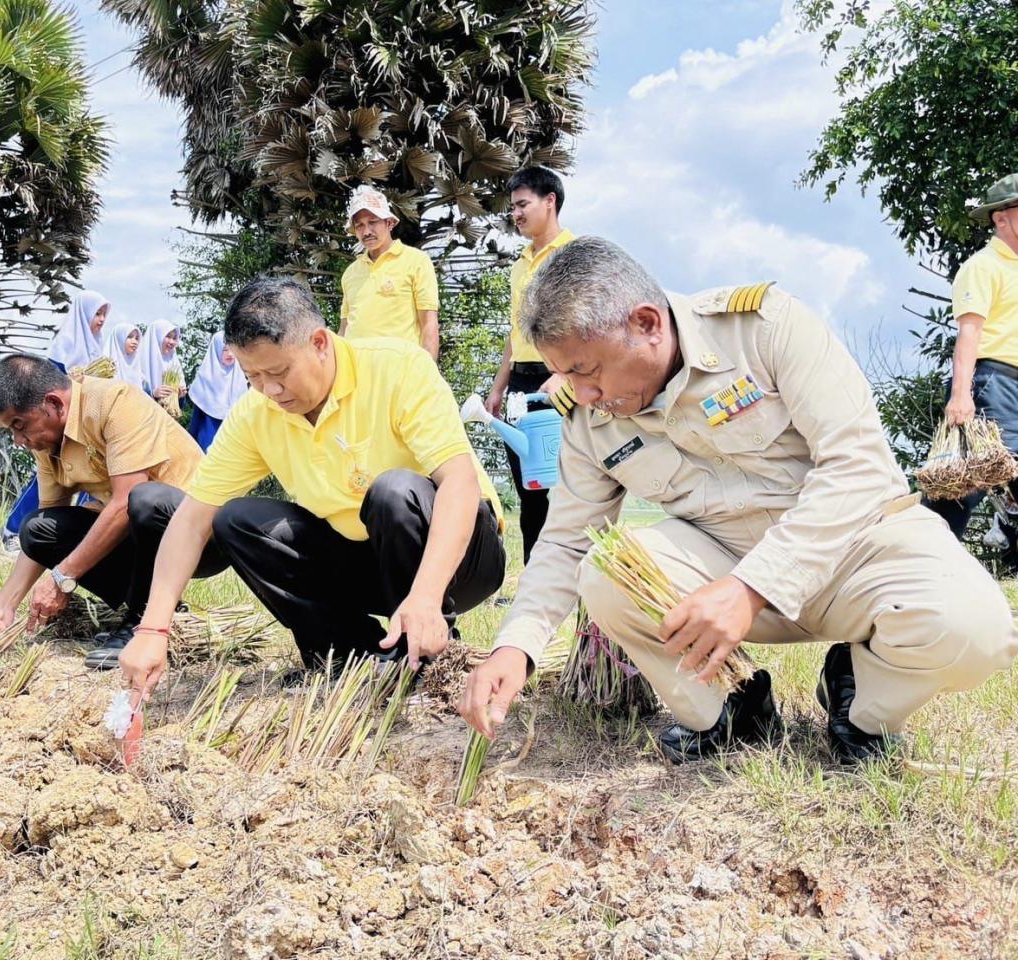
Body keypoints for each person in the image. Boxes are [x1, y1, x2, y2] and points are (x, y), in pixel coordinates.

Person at [458, 237, 1018, 765]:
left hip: (856, 553)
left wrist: (753, 588)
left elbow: (857, 466)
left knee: (978, 628)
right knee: (609, 571)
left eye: (587, 370)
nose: (582, 394)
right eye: (564, 375)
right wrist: (515, 647)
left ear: (647, 323)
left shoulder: (764, 328)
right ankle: (731, 708)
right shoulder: (586, 418)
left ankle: (861, 705)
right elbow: (565, 540)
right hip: (725, 564)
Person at [118, 277, 507, 699]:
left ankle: (427, 654)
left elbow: (460, 482)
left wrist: (427, 596)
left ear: (320, 342)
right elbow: (192, 520)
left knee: (395, 492)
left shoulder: (397, 367)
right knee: (238, 521)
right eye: (253, 376)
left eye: (279, 372)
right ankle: (349, 657)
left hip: (458, 557)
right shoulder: (256, 413)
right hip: (367, 560)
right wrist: (154, 628)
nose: (270, 390)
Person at [0, 355, 228, 669]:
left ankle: (142, 621)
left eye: (19, 426)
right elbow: (50, 516)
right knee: (37, 529)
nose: (18, 440)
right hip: (137, 536)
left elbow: (125, 502)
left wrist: (62, 577)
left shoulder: (115, 402)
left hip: (198, 537)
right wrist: (3, 606)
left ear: (54, 403)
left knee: (144, 499)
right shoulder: (47, 441)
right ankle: (155, 606)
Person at [485, 166, 578, 564]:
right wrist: (499, 385)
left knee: (572, 484)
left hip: (563, 380)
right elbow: (516, 331)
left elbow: (584, 321)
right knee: (530, 485)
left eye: (523, 204)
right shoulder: (520, 264)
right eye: (513, 207)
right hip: (522, 383)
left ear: (550, 201)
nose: (516, 214)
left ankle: (579, 581)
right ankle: (535, 579)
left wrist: (565, 374)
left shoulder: (574, 254)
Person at [926, 172, 1018, 540]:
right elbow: (969, 333)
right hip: (993, 382)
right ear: (1002, 218)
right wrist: (960, 395)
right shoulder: (983, 267)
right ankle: (927, 547)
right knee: (970, 478)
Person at [3, 290, 111, 548]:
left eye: (104, 314)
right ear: (83, 315)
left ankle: (84, 536)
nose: (101, 320)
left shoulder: (98, 351)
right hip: (59, 428)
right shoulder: (63, 350)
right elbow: (46, 393)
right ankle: (15, 529)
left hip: (88, 427)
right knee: (47, 479)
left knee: (91, 478)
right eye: (97, 313)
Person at [338, 186, 440, 358]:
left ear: (389, 223)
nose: (367, 231)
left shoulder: (417, 261)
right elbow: (345, 328)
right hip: (357, 375)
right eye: (360, 226)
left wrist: (427, 375)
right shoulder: (351, 273)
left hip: (400, 374)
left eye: (372, 222)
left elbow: (429, 324)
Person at [186, 331, 248, 451]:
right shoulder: (205, 378)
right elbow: (196, 416)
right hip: (207, 437)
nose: (230, 354)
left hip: (232, 438)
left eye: (233, 349)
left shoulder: (239, 378)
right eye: (225, 350)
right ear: (216, 349)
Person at [142, 319, 188, 406]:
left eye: (174, 338)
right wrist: (153, 393)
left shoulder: (173, 362)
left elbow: (181, 405)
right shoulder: (140, 362)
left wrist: (179, 395)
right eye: (168, 336)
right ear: (156, 337)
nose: (171, 342)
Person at [103, 323, 146, 392]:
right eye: (129, 337)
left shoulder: (139, 372)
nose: (135, 342)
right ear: (119, 338)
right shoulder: (105, 369)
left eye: (137, 338)